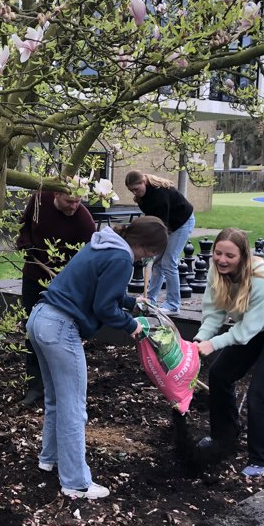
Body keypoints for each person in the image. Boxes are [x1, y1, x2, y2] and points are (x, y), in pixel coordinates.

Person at [26, 216, 168, 500]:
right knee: (74, 407)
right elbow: (104, 307)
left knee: (55, 399)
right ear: (149, 248)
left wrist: (131, 302)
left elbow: (95, 288)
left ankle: (49, 458)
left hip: (40, 318)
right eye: (153, 253)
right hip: (60, 327)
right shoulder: (122, 259)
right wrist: (131, 325)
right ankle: (76, 483)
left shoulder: (103, 244)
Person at [194, 228, 264, 477]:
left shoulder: (261, 279)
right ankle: (224, 437)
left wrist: (213, 344)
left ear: (244, 256)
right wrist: (200, 339)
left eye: (230, 256)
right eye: (218, 253)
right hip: (256, 323)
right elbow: (214, 312)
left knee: (261, 389)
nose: (222, 260)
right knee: (219, 375)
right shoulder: (217, 272)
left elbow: (246, 332)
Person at [16, 190, 96, 406]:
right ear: (57, 195)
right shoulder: (40, 198)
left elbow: (90, 260)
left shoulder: (85, 223)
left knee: (60, 331)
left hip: (63, 285)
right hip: (34, 274)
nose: (74, 206)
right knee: (31, 329)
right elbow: (24, 224)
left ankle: (62, 385)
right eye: (69, 201)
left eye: (78, 202)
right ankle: (35, 387)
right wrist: (25, 242)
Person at [124, 171, 195, 314]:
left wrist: (151, 247)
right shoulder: (143, 197)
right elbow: (152, 220)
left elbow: (161, 228)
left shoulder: (159, 195)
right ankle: (150, 299)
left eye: (136, 189)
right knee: (157, 263)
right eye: (131, 190)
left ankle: (173, 305)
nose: (135, 193)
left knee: (169, 262)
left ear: (144, 181)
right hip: (166, 224)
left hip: (181, 223)